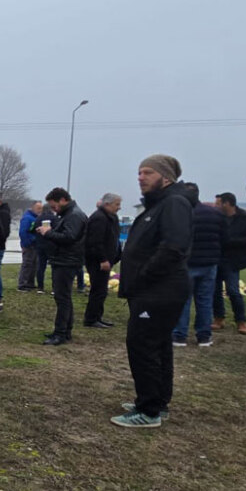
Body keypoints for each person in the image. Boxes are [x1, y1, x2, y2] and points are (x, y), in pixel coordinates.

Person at [112, 155, 192, 428]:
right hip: (152, 289)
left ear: (166, 177)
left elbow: (173, 247)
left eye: (147, 172)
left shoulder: (173, 203)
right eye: (139, 172)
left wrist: (144, 275)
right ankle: (157, 401)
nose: (141, 177)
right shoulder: (157, 205)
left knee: (143, 345)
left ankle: (148, 410)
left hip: (159, 289)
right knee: (158, 346)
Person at [171, 183, 226, 347]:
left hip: (187, 262)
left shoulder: (182, 213)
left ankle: (179, 335)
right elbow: (225, 238)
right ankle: (204, 335)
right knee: (205, 300)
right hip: (209, 263)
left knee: (183, 299)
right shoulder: (215, 214)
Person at [36, 188, 86, 345]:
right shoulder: (69, 214)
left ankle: (61, 333)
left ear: (63, 200)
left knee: (62, 298)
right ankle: (65, 330)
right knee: (64, 297)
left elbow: (69, 237)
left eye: (54, 206)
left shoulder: (74, 216)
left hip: (67, 261)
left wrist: (47, 233)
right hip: (64, 260)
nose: (53, 209)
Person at [212, 192, 246, 334]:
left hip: (233, 260)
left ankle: (241, 321)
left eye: (218, 203)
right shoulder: (217, 218)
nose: (215, 206)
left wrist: (232, 242)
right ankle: (218, 318)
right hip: (217, 258)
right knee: (215, 291)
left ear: (227, 204)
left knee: (233, 291)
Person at [83, 193, 122, 328]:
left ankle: (97, 316)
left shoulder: (110, 218)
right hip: (98, 262)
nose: (119, 208)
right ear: (107, 204)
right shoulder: (99, 218)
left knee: (101, 291)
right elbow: (95, 242)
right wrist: (103, 259)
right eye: (116, 204)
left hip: (106, 260)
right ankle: (91, 319)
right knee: (98, 290)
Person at [17, 201, 42, 292]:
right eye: (38, 208)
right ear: (32, 207)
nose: (40, 210)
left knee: (34, 265)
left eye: (41, 208)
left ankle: (30, 283)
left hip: (35, 245)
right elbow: (23, 232)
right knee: (27, 264)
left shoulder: (36, 218)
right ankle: (22, 284)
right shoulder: (27, 218)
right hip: (29, 245)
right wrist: (27, 243)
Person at [34, 204, 57, 294]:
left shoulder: (38, 219)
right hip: (52, 245)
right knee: (54, 267)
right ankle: (54, 288)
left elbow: (34, 229)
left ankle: (40, 287)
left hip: (40, 245)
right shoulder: (54, 218)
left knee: (41, 266)